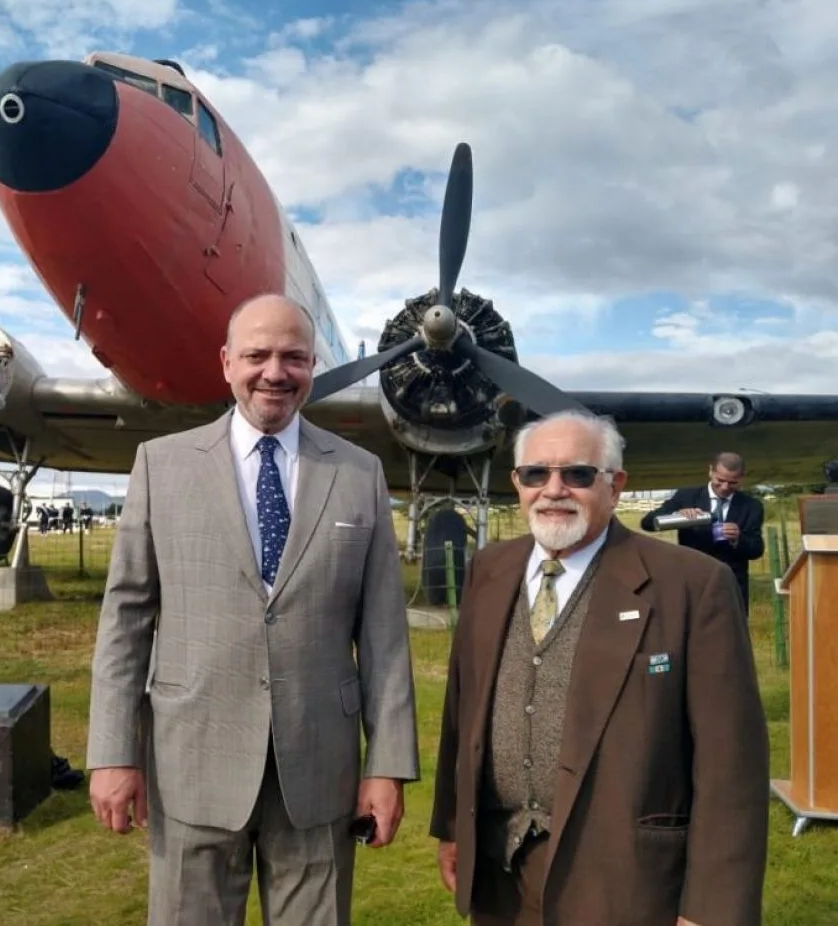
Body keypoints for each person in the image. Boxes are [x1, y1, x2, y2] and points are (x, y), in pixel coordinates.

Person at [86, 293, 419, 926]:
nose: (275, 372)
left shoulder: (359, 473)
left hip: (319, 769)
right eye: (257, 355)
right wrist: (112, 752)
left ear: (313, 365)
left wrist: (388, 766)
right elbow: (124, 621)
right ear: (226, 363)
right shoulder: (161, 465)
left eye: (292, 357)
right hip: (191, 763)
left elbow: (383, 636)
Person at [429, 410, 768, 926]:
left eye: (578, 474)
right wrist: (454, 827)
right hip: (500, 876)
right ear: (517, 483)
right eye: (536, 474)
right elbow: (462, 710)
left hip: (624, 884)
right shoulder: (488, 569)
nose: (554, 489)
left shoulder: (694, 586)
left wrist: (712, 909)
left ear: (615, 485)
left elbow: (731, 764)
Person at [639, 452, 764, 614]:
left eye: (733, 483)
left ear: (742, 478)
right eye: (720, 480)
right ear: (711, 471)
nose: (725, 487)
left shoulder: (751, 506)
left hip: (731, 587)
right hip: (692, 583)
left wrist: (738, 539)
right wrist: (678, 515)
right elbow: (647, 523)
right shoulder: (687, 496)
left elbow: (756, 549)